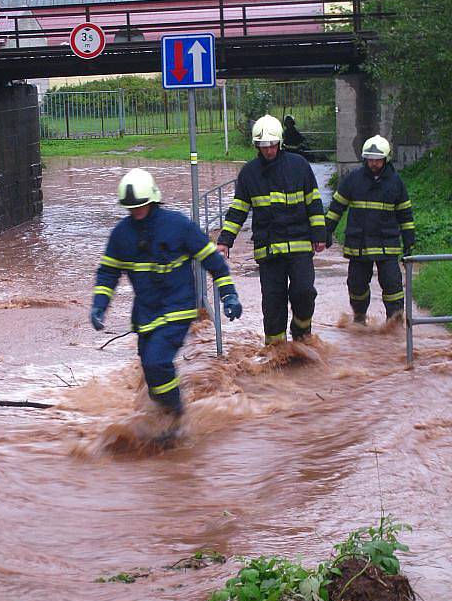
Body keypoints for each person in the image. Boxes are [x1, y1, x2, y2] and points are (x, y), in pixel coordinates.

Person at [90, 168, 242, 418]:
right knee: (151, 374)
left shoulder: (177, 225)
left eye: (140, 205)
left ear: (152, 200)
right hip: (146, 315)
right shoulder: (122, 234)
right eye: (131, 208)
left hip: (177, 308)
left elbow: (212, 261)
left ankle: (175, 418)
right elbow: (108, 273)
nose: (136, 211)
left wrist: (229, 294)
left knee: (156, 362)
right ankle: (164, 417)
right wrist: (99, 305)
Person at [217, 114, 326, 345]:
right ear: (257, 146)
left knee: (304, 293)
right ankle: (276, 351)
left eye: (272, 145)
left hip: (299, 246)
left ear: (280, 142)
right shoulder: (249, 173)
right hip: (268, 251)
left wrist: (319, 235)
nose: (268, 151)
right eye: (264, 146)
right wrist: (225, 240)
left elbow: (313, 202)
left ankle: (301, 334)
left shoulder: (299, 166)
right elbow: (238, 210)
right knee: (273, 303)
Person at [325, 135, 415, 324]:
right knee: (356, 285)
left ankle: (394, 326)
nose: (373, 163)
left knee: (393, 286)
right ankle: (359, 318)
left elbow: (405, 216)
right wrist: (326, 231)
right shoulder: (353, 180)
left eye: (377, 159)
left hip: (387, 245)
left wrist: (409, 242)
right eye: (370, 159)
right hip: (359, 244)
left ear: (386, 159)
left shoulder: (396, 183)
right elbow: (336, 207)